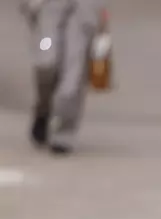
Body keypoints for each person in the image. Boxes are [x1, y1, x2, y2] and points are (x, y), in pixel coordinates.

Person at [19, 0, 106, 155]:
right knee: (45, 62)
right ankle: (43, 109)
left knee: (73, 74)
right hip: (49, 8)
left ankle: (64, 133)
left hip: (83, 9)